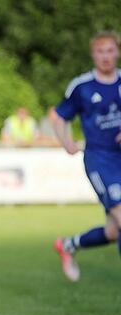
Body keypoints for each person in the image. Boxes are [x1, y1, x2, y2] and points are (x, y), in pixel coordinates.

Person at [50, 31, 121, 282]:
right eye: (101, 51)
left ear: (118, 52)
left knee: (113, 231)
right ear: (93, 54)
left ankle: (69, 245)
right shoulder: (82, 86)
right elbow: (58, 117)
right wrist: (66, 141)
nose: (106, 56)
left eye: (110, 50)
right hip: (100, 160)